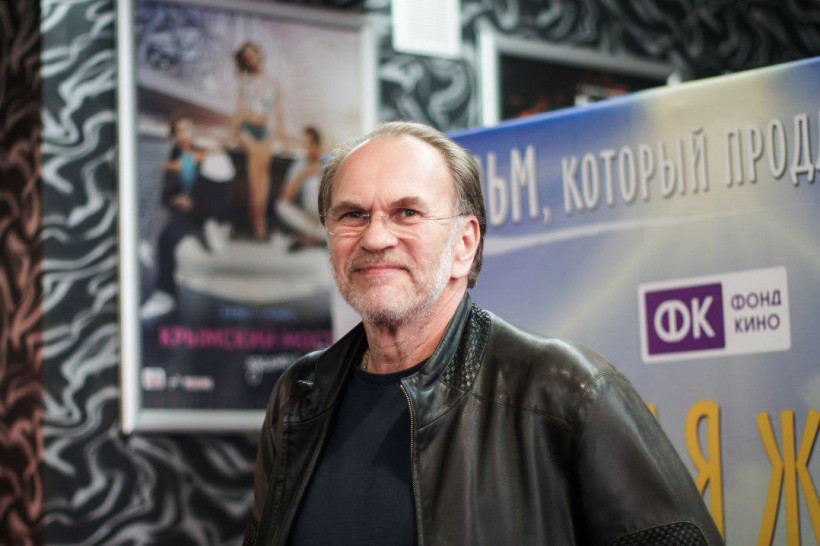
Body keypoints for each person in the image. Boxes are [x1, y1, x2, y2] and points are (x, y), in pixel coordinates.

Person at [244, 122, 723, 545]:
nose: (375, 237)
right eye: (353, 215)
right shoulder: (299, 396)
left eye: (407, 212)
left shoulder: (565, 392)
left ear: (465, 244)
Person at [141, 115, 208, 319]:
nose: (187, 134)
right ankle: (165, 293)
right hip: (175, 210)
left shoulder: (202, 155)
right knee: (162, 234)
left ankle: (166, 293)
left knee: (165, 238)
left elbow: (210, 188)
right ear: (175, 135)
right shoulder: (171, 155)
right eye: (182, 131)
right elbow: (163, 190)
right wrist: (175, 198)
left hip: (197, 213)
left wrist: (193, 200)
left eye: (190, 129)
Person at [230, 41, 285, 240]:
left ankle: (255, 215)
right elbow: (239, 110)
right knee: (255, 171)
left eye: (252, 55)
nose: (250, 59)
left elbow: (278, 113)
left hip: (263, 131)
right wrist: (231, 135)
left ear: (259, 55)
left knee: (264, 174)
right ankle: (259, 223)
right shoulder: (245, 81)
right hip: (246, 129)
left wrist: (282, 138)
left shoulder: (273, 82)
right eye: (246, 58)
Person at [275, 126, 325, 250]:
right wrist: (304, 174)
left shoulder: (329, 162)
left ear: (317, 145)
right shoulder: (298, 166)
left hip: (327, 212)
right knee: (281, 206)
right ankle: (319, 236)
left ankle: (317, 236)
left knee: (314, 183)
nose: (307, 149)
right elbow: (286, 197)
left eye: (309, 144)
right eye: (304, 145)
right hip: (307, 212)